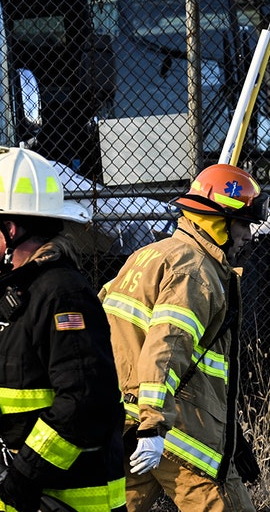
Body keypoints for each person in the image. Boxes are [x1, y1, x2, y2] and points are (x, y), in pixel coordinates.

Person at [0, 146, 126, 511]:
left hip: (65, 499)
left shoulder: (62, 295)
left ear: (11, 229)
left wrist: (24, 475)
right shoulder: (8, 293)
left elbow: (85, 402)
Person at [99, 163, 265, 511]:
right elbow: (168, 346)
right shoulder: (196, 272)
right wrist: (155, 423)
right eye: (243, 224)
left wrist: (231, 436)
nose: (249, 235)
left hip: (128, 420)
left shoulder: (147, 255)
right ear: (217, 222)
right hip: (178, 431)